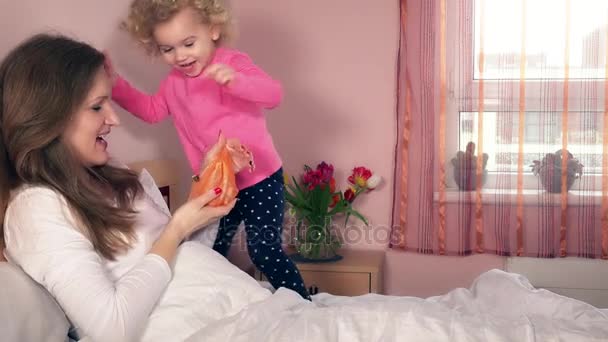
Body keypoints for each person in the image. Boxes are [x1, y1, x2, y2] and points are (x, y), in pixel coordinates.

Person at [0, 33, 236, 341]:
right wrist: (176, 228)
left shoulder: (111, 172)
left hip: (224, 305)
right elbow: (113, 328)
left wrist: (206, 196)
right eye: (97, 106)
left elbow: (180, 261)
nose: (114, 119)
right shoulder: (37, 209)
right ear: (47, 118)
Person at [106, 0, 310, 299]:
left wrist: (236, 82)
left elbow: (273, 94)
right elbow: (150, 111)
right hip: (216, 185)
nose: (180, 56)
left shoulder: (232, 62)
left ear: (213, 30)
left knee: (263, 250)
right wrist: (115, 84)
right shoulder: (173, 84)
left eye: (189, 43)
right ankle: (213, 307)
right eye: (168, 49)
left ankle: (301, 303)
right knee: (206, 254)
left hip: (260, 178)